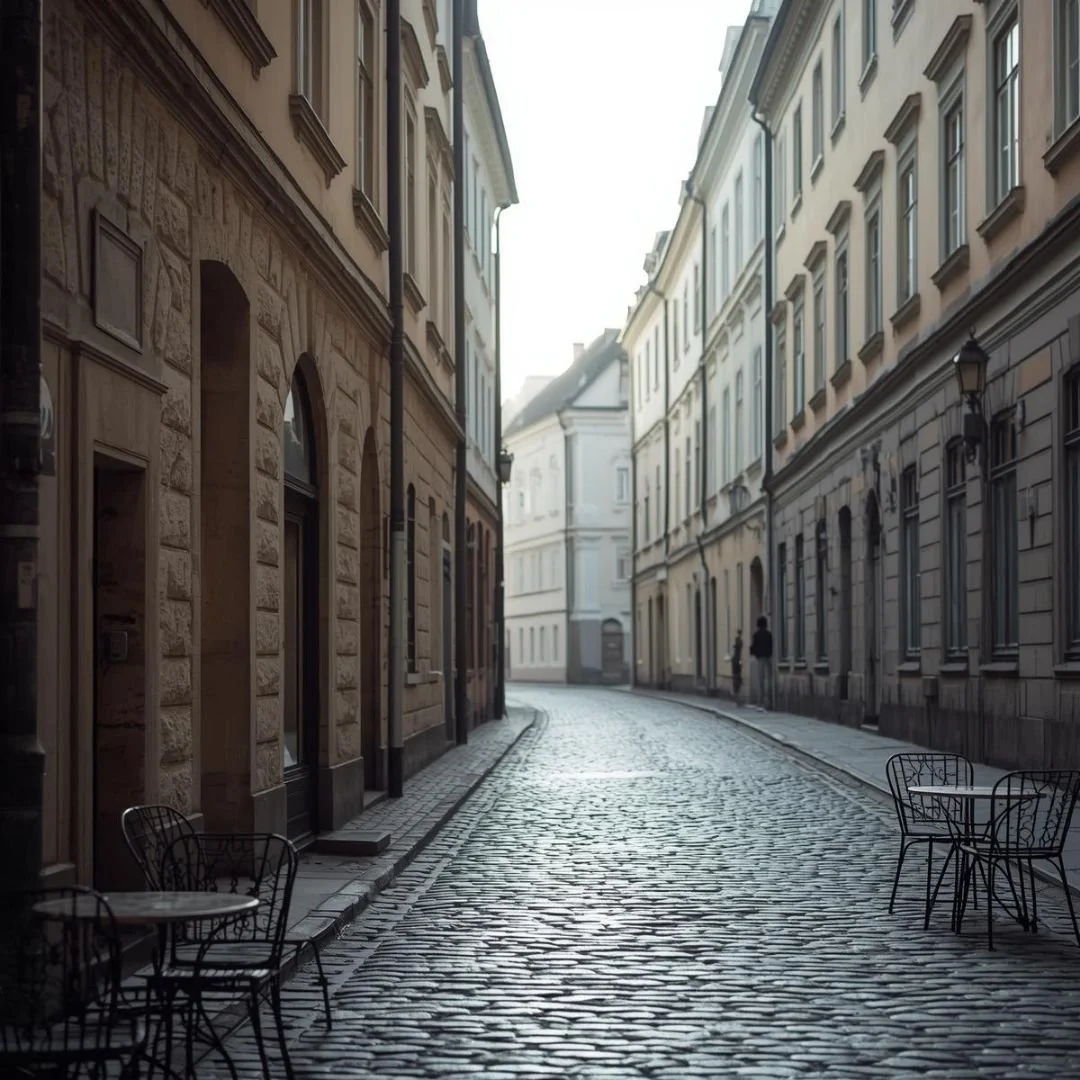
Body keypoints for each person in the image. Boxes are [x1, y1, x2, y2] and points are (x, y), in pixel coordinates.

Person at [749, 615, 773, 708]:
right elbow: (771, 646)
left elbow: (754, 647)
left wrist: (753, 654)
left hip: (760, 659)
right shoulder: (769, 634)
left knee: (761, 681)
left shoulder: (756, 635)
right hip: (768, 658)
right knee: (769, 680)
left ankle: (761, 701)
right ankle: (770, 701)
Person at [731, 629, 743, 699]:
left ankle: (736, 692)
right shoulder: (739, 644)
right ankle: (736, 692)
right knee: (737, 677)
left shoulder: (736, 645)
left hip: (736, 661)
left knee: (736, 677)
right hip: (737, 662)